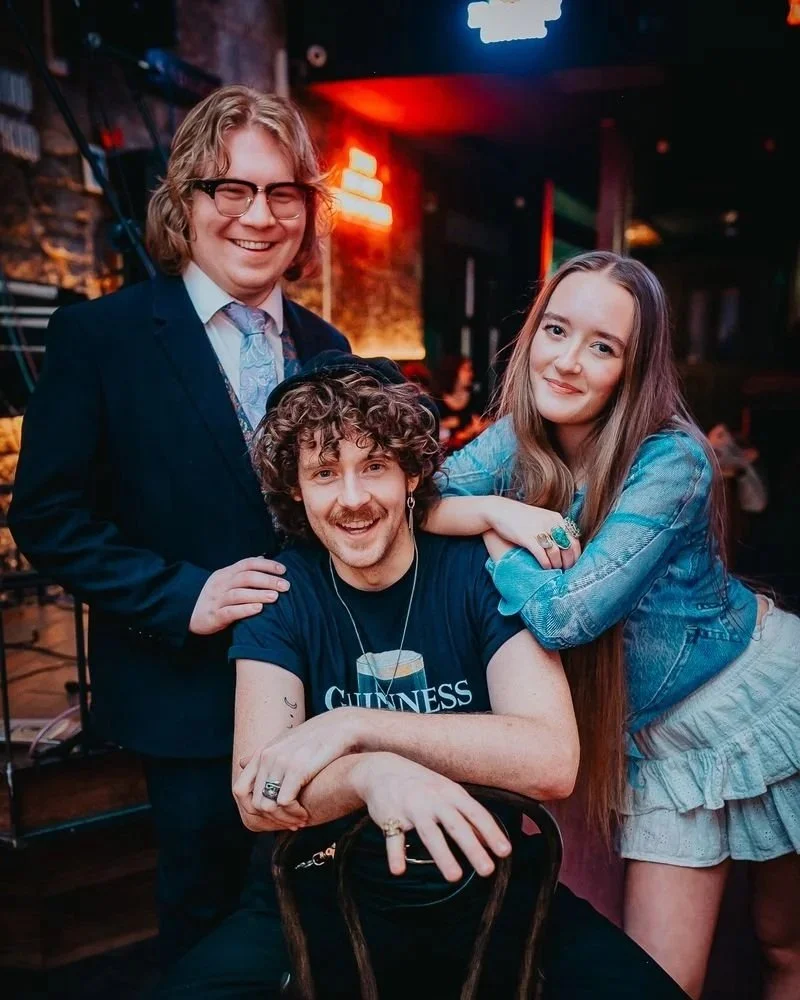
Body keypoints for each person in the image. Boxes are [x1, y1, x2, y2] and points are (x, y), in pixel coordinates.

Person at [152, 351, 687, 999]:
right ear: (296, 488)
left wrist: (354, 727)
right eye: (325, 472)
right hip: (322, 886)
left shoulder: (478, 571)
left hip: (489, 881)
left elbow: (551, 760)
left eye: (374, 466)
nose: (352, 499)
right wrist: (370, 773)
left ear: (411, 473)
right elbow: (257, 795)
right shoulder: (284, 593)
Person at [7, 85, 349, 965]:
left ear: (307, 212)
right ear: (184, 201)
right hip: (184, 694)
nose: (257, 216)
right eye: (229, 189)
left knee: (323, 913)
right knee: (205, 923)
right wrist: (179, 594)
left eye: (282, 193)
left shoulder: (331, 349)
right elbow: (46, 515)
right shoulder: (101, 337)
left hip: (325, 696)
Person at [425, 251, 800, 999]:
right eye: (556, 330)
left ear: (636, 367)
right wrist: (500, 509)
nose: (566, 362)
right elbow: (413, 500)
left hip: (763, 703)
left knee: (783, 946)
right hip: (660, 749)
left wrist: (496, 544)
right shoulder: (516, 437)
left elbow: (568, 616)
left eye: (603, 346)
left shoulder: (673, 460)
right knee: (654, 985)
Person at [435, 354, 487, 451]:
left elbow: (487, 422)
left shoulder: (476, 399)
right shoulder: (437, 401)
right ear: (453, 371)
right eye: (466, 369)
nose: (471, 374)